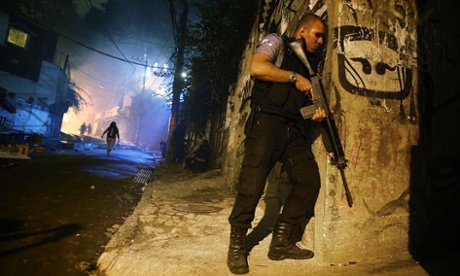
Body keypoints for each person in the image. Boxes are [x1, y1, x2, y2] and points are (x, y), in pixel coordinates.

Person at [227, 14, 327, 274]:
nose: (321, 40)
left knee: (309, 181)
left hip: (292, 129)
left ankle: (280, 242)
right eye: (318, 34)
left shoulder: (310, 65)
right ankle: (238, 244)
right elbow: (257, 68)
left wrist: (314, 112)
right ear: (302, 30)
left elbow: (301, 106)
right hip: (267, 124)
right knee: (252, 185)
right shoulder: (276, 42)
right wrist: (294, 77)